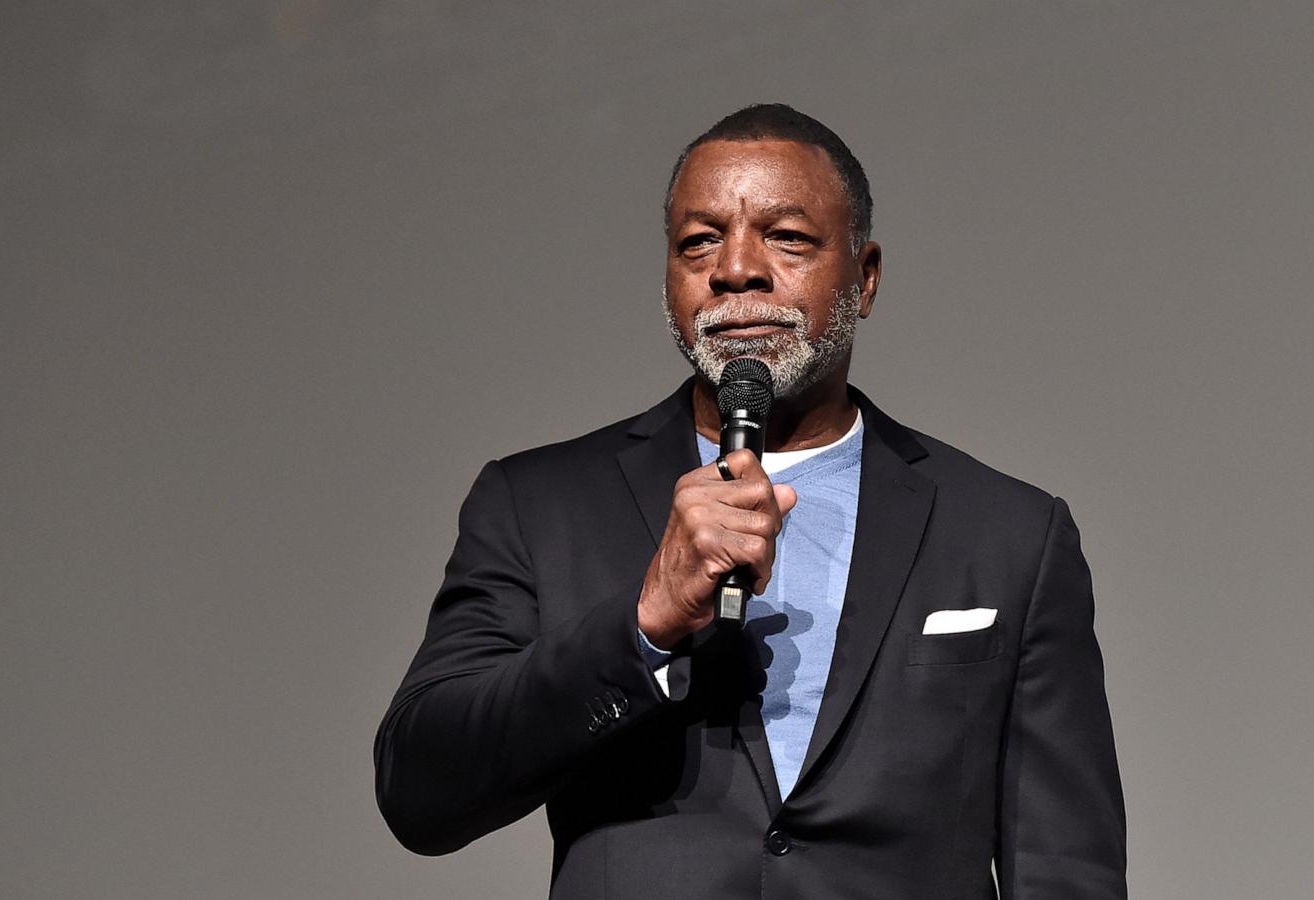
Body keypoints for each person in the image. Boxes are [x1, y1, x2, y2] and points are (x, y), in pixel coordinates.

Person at [374, 103, 1126, 899]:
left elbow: (1066, 868)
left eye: (787, 237)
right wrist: (641, 625)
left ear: (864, 278)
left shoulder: (1008, 532)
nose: (736, 268)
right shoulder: (537, 504)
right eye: (699, 241)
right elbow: (421, 790)